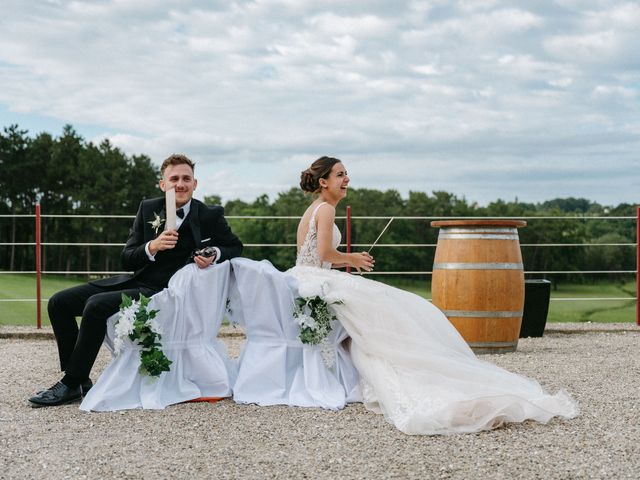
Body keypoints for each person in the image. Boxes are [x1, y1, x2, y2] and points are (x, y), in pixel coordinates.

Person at [285, 156, 578, 435]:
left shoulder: (317, 208)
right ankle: (403, 362)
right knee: (391, 304)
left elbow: (317, 257)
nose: (347, 178)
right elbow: (323, 253)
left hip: (312, 277)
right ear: (323, 182)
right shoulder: (325, 209)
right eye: (340, 174)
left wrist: (348, 260)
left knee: (380, 306)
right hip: (317, 281)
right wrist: (353, 260)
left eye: (346, 173)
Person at [29, 154, 243, 407]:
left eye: (187, 179)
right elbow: (127, 258)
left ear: (195, 184)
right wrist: (152, 246)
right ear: (163, 184)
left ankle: (70, 382)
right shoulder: (148, 208)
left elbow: (234, 247)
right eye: (174, 179)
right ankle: (79, 378)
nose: (181, 184)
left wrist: (213, 253)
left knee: (96, 306)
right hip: (138, 281)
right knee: (59, 303)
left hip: (168, 293)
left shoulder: (210, 215)